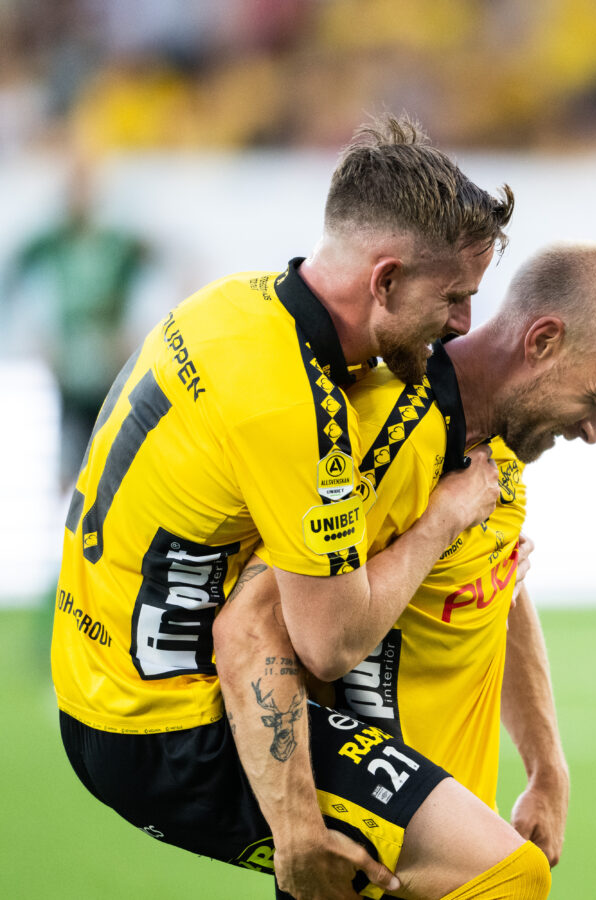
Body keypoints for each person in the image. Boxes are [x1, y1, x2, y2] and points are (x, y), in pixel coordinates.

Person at [51, 113, 518, 899]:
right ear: (385, 280)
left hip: (93, 679)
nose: (464, 324)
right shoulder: (294, 407)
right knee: (502, 871)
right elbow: (329, 642)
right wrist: (446, 514)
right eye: (455, 297)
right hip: (166, 726)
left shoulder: (232, 306)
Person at [216, 241, 596, 896]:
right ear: (542, 341)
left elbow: (500, 585)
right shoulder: (383, 435)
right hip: (378, 861)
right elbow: (251, 629)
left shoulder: (497, 448)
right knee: (519, 881)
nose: (594, 431)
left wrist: (547, 768)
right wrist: (298, 833)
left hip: (447, 848)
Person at [3, 155, 151, 486]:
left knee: (112, 460)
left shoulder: (118, 243)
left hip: (110, 370)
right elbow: (11, 275)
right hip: (69, 372)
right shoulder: (53, 242)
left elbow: (169, 266)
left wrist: (138, 332)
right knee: (67, 465)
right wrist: (31, 335)